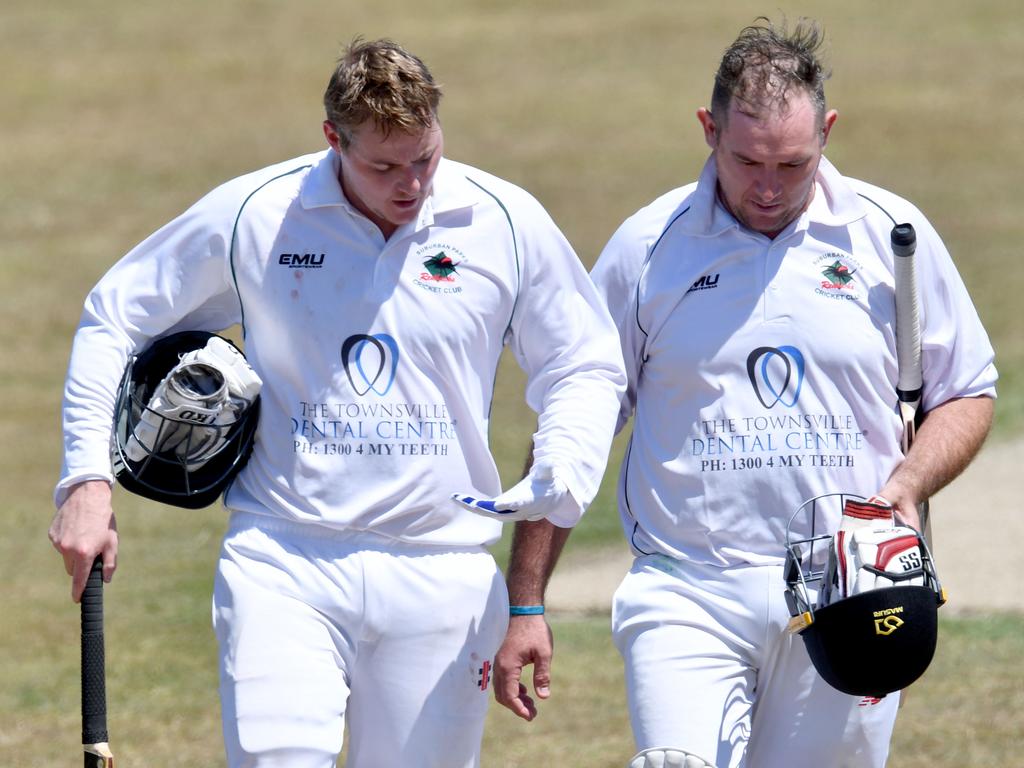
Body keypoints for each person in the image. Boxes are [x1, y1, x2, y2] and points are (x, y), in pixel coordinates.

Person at [49, 38, 625, 768]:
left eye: (425, 158)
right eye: (384, 166)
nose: (411, 184)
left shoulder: (505, 221)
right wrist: (86, 481)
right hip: (284, 561)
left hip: (442, 569)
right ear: (333, 139)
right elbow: (114, 314)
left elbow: (584, 361)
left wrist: (564, 467)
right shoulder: (258, 214)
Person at [500, 18, 998, 768]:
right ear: (708, 129)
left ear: (828, 132)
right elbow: (580, 418)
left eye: (792, 164)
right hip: (687, 584)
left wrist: (909, 483)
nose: (767, 187)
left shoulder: (893, 236)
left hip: (850, 585)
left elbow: (967, 391)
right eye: (747, 160)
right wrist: (527, 600)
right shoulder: (647, 248)